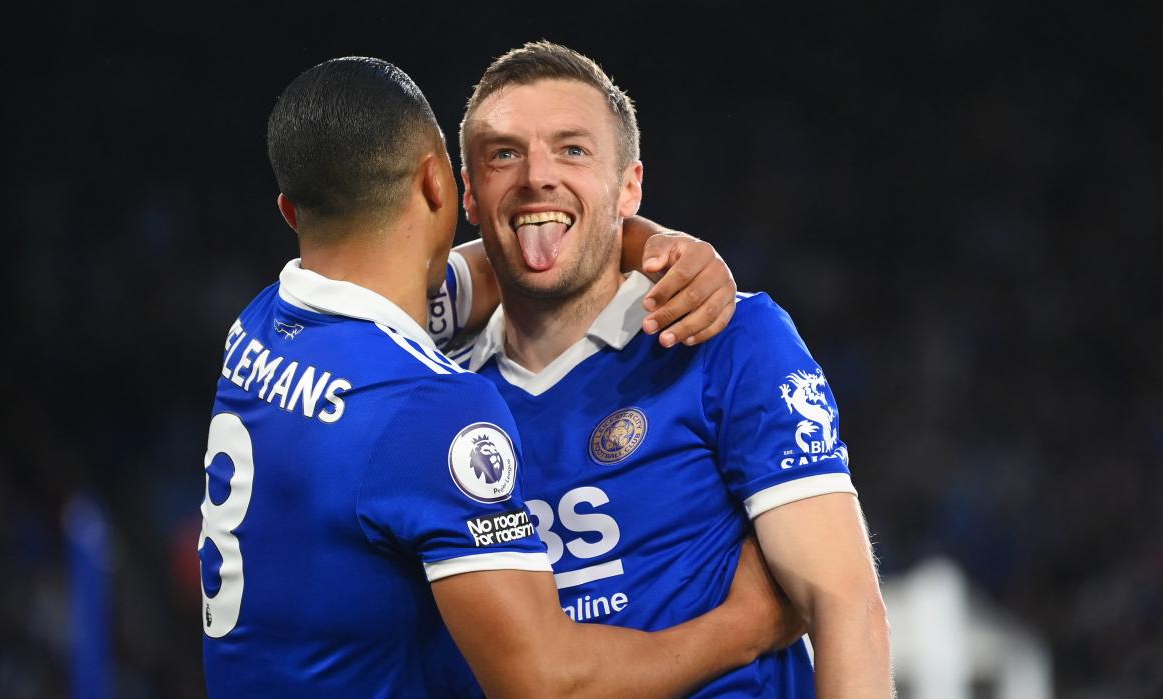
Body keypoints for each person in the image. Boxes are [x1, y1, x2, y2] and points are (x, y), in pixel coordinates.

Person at [200, 55, 799, 698]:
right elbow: (547, 683)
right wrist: (745, 625)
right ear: (441, 186)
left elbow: (491, 271)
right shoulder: (428, 409)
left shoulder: (263, 325)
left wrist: (650, 244)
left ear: (292, 211)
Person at [449, 41, 893, 697]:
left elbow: (845, 603)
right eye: (504, 154)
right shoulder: (435, 394)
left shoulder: (729, 337)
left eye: (573, 149)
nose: (537, 175)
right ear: (469, 194)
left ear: (629, 186)